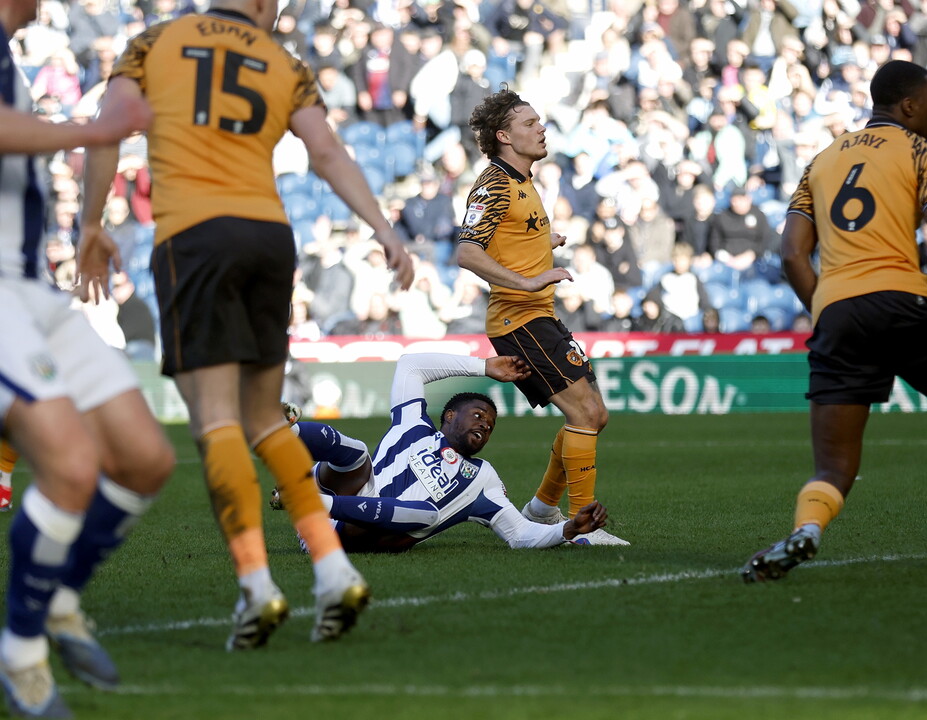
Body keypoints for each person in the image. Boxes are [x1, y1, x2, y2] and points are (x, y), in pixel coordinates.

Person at [78, 0, 416, 652]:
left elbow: (107, 129)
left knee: (215, 421)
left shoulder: (154, 42)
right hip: (268, 237)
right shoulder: (282, 60)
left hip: (195, 237)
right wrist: (382, 229)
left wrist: (92, 225)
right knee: (264, 418)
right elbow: (326, 150)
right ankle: (333, 569)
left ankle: (258, 588)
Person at [0, 1, 174, 715]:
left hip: (34, 287)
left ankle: (61, 600)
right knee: (71, 467)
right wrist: (93, 128)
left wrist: (89, 224)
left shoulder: (9, 48)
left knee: (144, 459)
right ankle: (21, 652)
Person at [741, 60, 927, 582]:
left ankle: (807, 529)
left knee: (834, 467)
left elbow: (793, 254)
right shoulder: (922, 150)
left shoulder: (820, 160)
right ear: (908, 106)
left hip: (838, 313)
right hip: (903, 301)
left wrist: (827, 310)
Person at [456, 86, 628, 546]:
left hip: (538, 317)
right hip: (519, 319)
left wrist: (540, 247)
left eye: (539, 121)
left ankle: (542, 509)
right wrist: (529, 281)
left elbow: (503, 240)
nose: (541, 128)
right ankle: (582, 529)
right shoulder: (493, 183)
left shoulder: (522, 183)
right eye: (529, 123)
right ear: (504, 136)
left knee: (594, 416)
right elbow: (467, 252)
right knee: (587, 412)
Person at [271, 353, 610, 551]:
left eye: (490, 426)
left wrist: (566, 531)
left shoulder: (482, 479)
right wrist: (484, 367)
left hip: (345, 534)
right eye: (478, 415)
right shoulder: (413, 424)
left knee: (425, 513)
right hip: (337, 492)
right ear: (449, 415)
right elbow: (410, 366)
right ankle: (280, 430)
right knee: (357, 453)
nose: (485, 426)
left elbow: (520, 533)